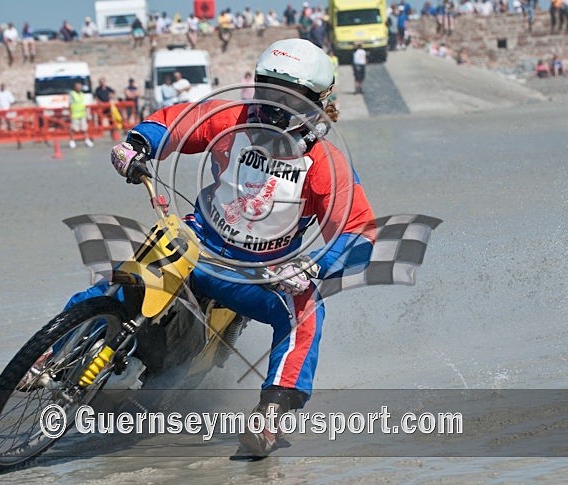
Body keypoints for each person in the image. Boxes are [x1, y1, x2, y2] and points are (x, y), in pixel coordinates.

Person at [104, 38, 375, 457]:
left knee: (305, 309)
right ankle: (50, 353)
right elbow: (177, 123)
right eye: (267, 90)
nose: (274, 104)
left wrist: (318, 265)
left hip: (257, 274)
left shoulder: (325, 163)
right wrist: (137, 144)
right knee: (123, 281)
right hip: (196, 245)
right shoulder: (229, 117)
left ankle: (271, 414)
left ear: (316, 103)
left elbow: (359, 232)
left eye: (289, 97)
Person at [69, 82, 93, 148]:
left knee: (84, 128)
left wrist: (88, 114)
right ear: (75, 88)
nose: (79, 88)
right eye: (78, 87)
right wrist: (70, 113)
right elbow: (70, 104)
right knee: (74, 128)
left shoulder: (82, 94)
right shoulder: (72, 94)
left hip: (82, 114)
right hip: (75, 114)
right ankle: (71, 141)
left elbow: (84, 104)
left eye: (80, 87)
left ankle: (87, 140)